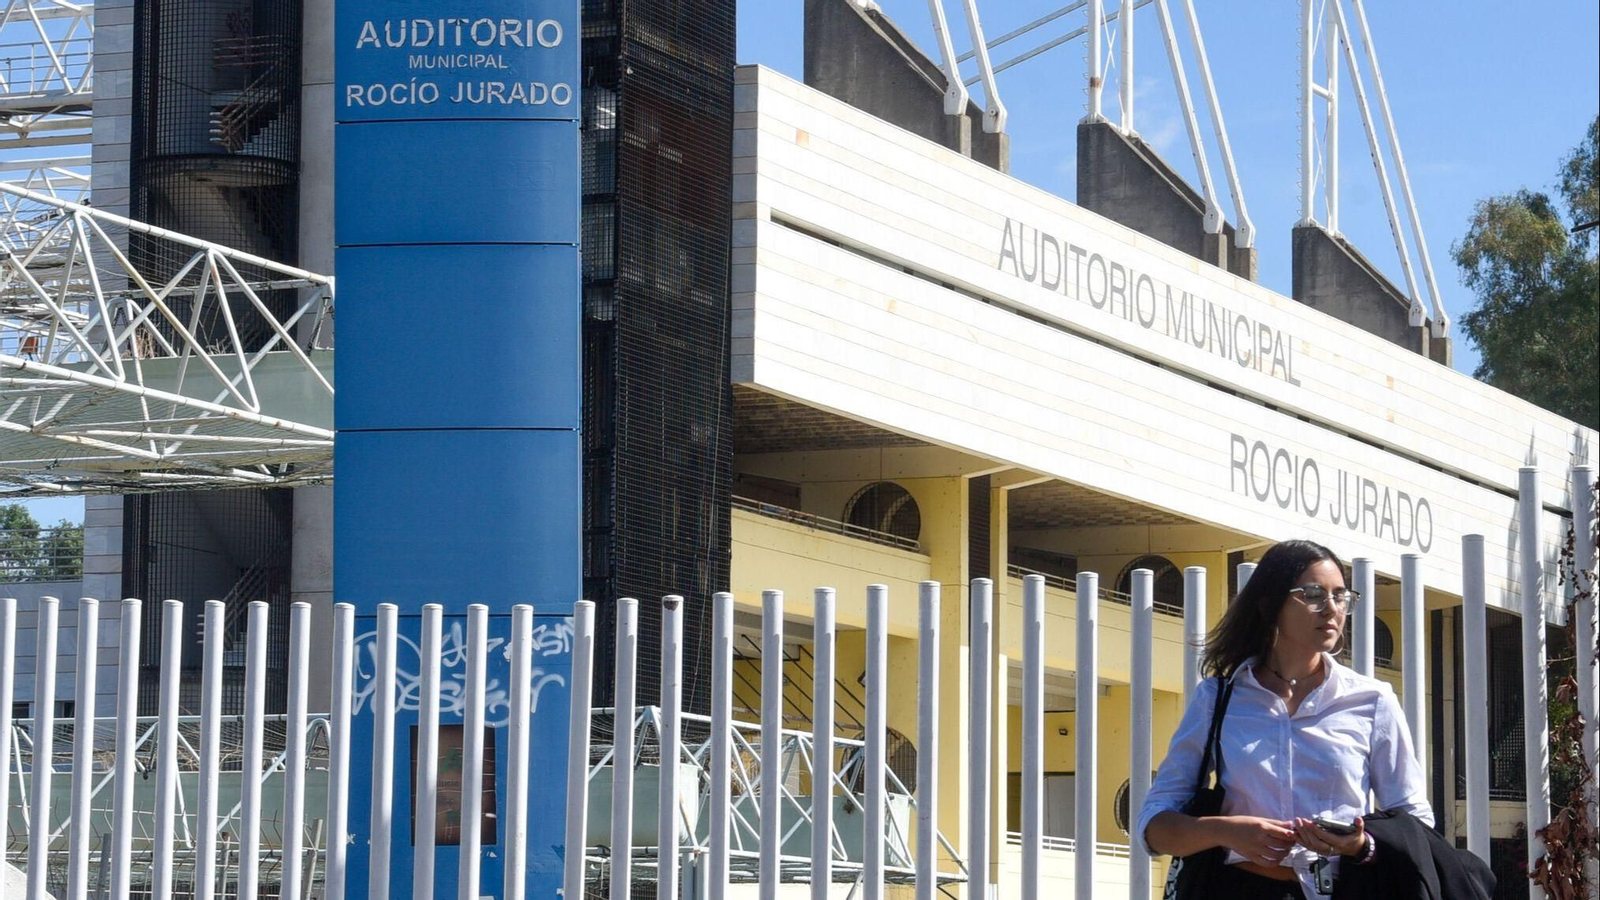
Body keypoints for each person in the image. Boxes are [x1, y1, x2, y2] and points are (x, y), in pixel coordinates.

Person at [1134, 540, 1432, 899]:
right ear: (1270, 605)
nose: (1332, 609)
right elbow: (1154, 826)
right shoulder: (1218, 698)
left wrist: (1359, 844)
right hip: (1238, 889)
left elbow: (1415, 822)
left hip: (1342, 889)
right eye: (1313, 594)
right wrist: (1226, 831)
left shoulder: (1372, 699)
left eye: (1341, 596)